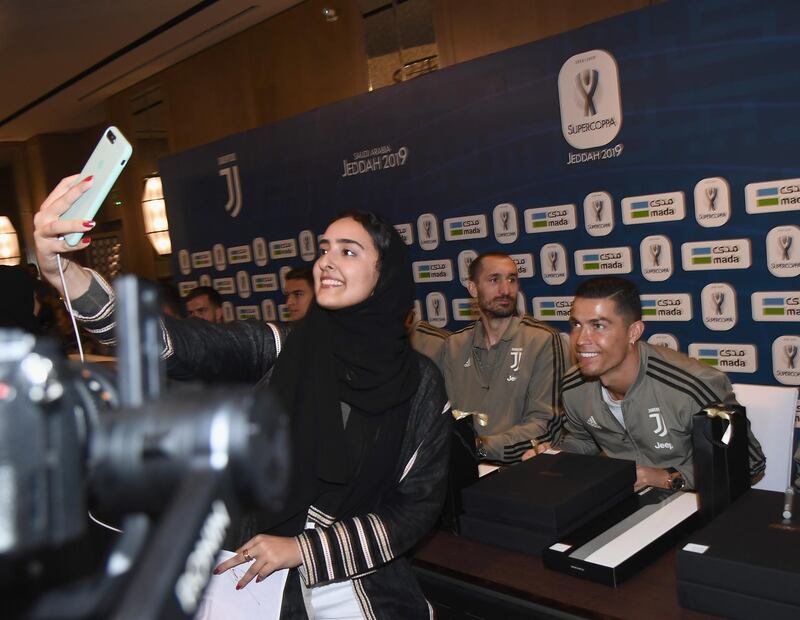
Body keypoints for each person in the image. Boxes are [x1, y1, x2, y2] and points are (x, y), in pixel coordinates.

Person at [34, 174, 451, 618]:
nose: (326, 261)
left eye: (348, 251)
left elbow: (416, 509)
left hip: (359, 583)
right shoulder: (286, 348)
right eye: (324, 248)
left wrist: (303, 549)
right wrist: (63, 275)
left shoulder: (420, 384)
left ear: (383, 273)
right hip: (251, 578)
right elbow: (175, 343)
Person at [542, 276, 765, 491]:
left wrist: (668, 478)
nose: (580, 339)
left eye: (598, 326)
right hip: (620, 501)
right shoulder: (573, 386)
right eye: (576, 324)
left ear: (633, 332)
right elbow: (583, 439)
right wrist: (553, 456)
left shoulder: (692, 387)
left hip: (691, 501)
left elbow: (749, 465)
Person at [442, 252, 566, 463]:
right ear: (473, 288)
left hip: (521, 472)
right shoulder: (454, 345)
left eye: (511, 279)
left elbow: (545, 425)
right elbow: (446, 420)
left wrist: (480, 448)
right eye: (494, 280)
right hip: (464, 472)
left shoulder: (542, 340)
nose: (505, 290)